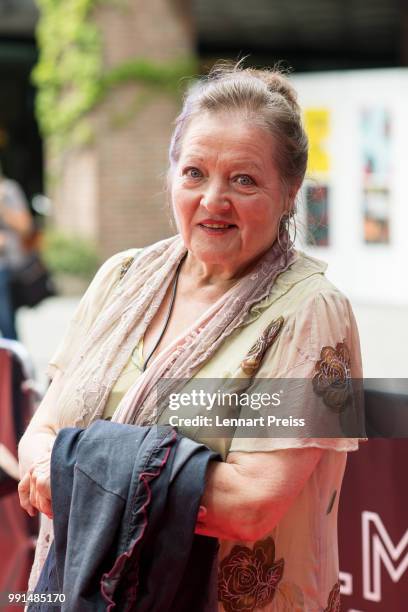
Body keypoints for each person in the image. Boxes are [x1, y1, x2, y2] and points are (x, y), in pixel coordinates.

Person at [18, 62, 366, 611]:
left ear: (291, 190)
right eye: (195, 173)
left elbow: (251, 503)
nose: (213, 200)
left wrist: (70, 471)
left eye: (244, 179)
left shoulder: (309, 313)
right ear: (172, 174)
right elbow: (42, 433)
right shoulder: (122, 279)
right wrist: (65, 461)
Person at [0, 164, 33, 339]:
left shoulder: (8, 190)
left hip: (5, 267)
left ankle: (14, 364)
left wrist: (3, 207)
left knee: (6, 323)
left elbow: (25, 227)